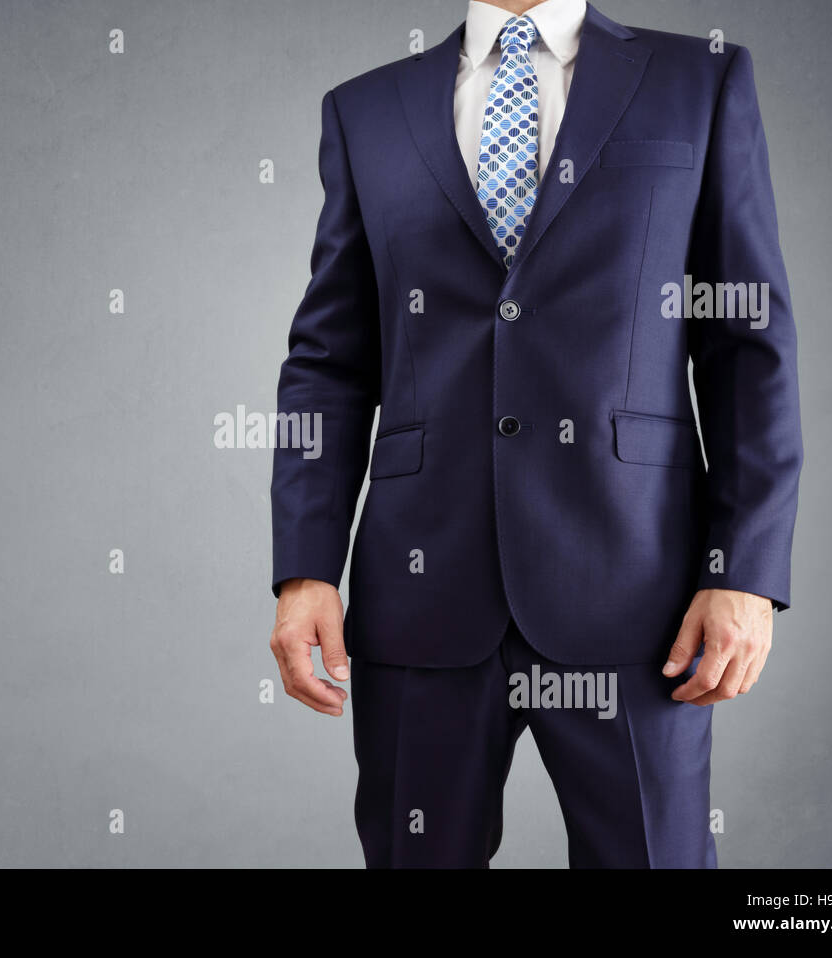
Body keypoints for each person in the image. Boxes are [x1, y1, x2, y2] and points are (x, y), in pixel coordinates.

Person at [268, 0, 803, 867]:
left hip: (641, 594)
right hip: (422, 590)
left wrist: (743, 569)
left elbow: (747, 346)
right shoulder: (365, 109)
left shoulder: (699, 80)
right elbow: (329, 362)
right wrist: (304, 570)